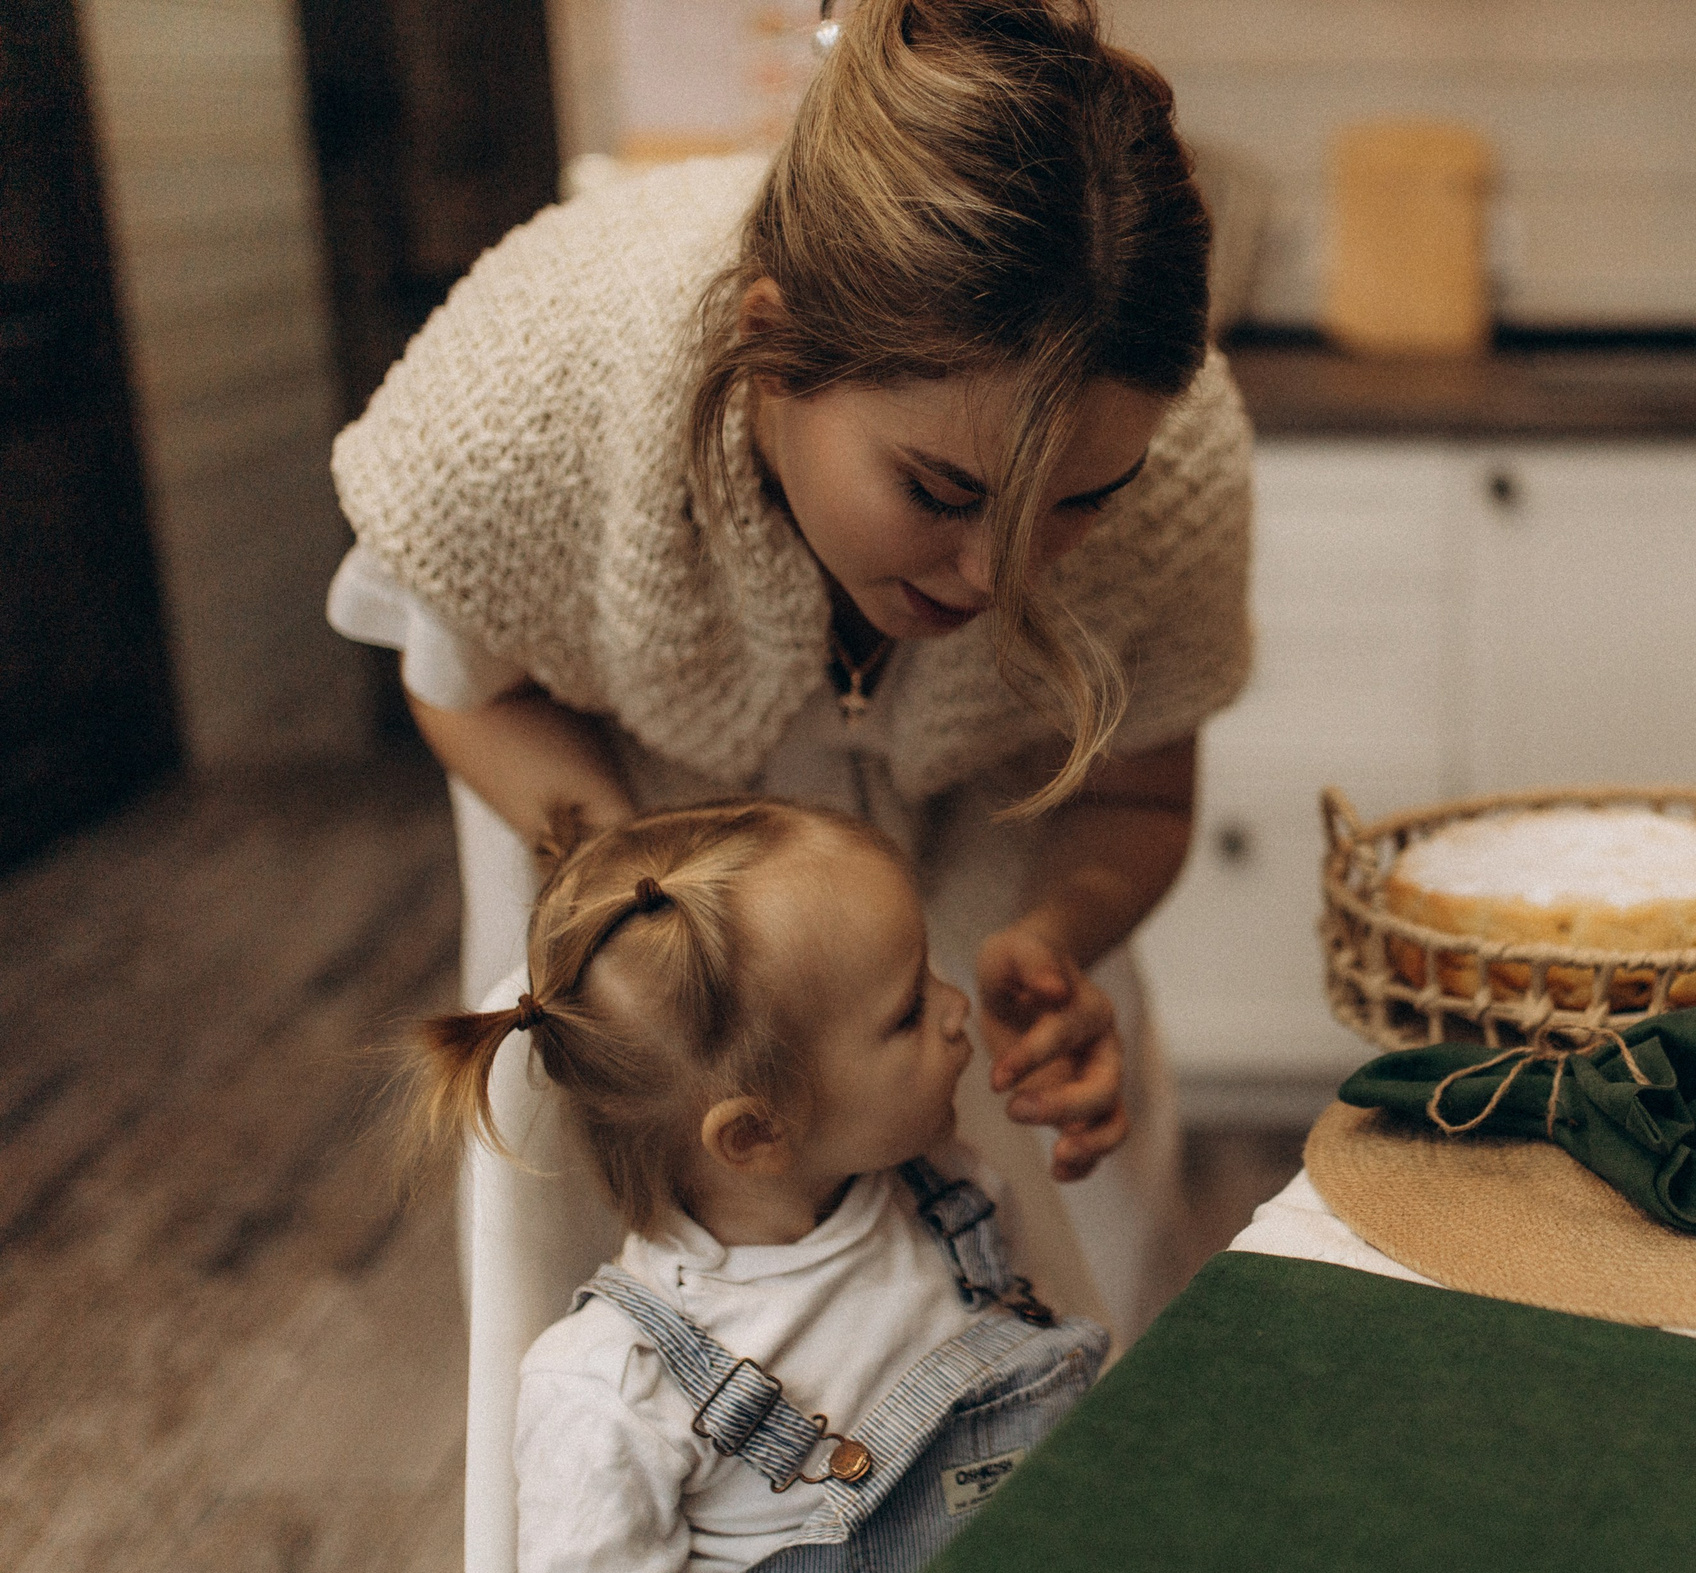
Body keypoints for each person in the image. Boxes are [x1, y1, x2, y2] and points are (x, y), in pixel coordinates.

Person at [325, 0, 1249, 1337]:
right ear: (772, 343)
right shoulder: (529, 395)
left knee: (1065, 1294)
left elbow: (1140, 797)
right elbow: (467, 682)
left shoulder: (1182, 459)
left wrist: (1050, 941)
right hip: (642, 870)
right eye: (941, 487)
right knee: (626, 1336)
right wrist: (658, 911)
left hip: (971, 885)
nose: (1001, 575)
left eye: (1079, 502)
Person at [405, 797, 1110, 1573]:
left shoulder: (948, 1198)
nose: (955, 1007)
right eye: (906, 1012)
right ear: (755, 1134)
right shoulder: (618, 1384)